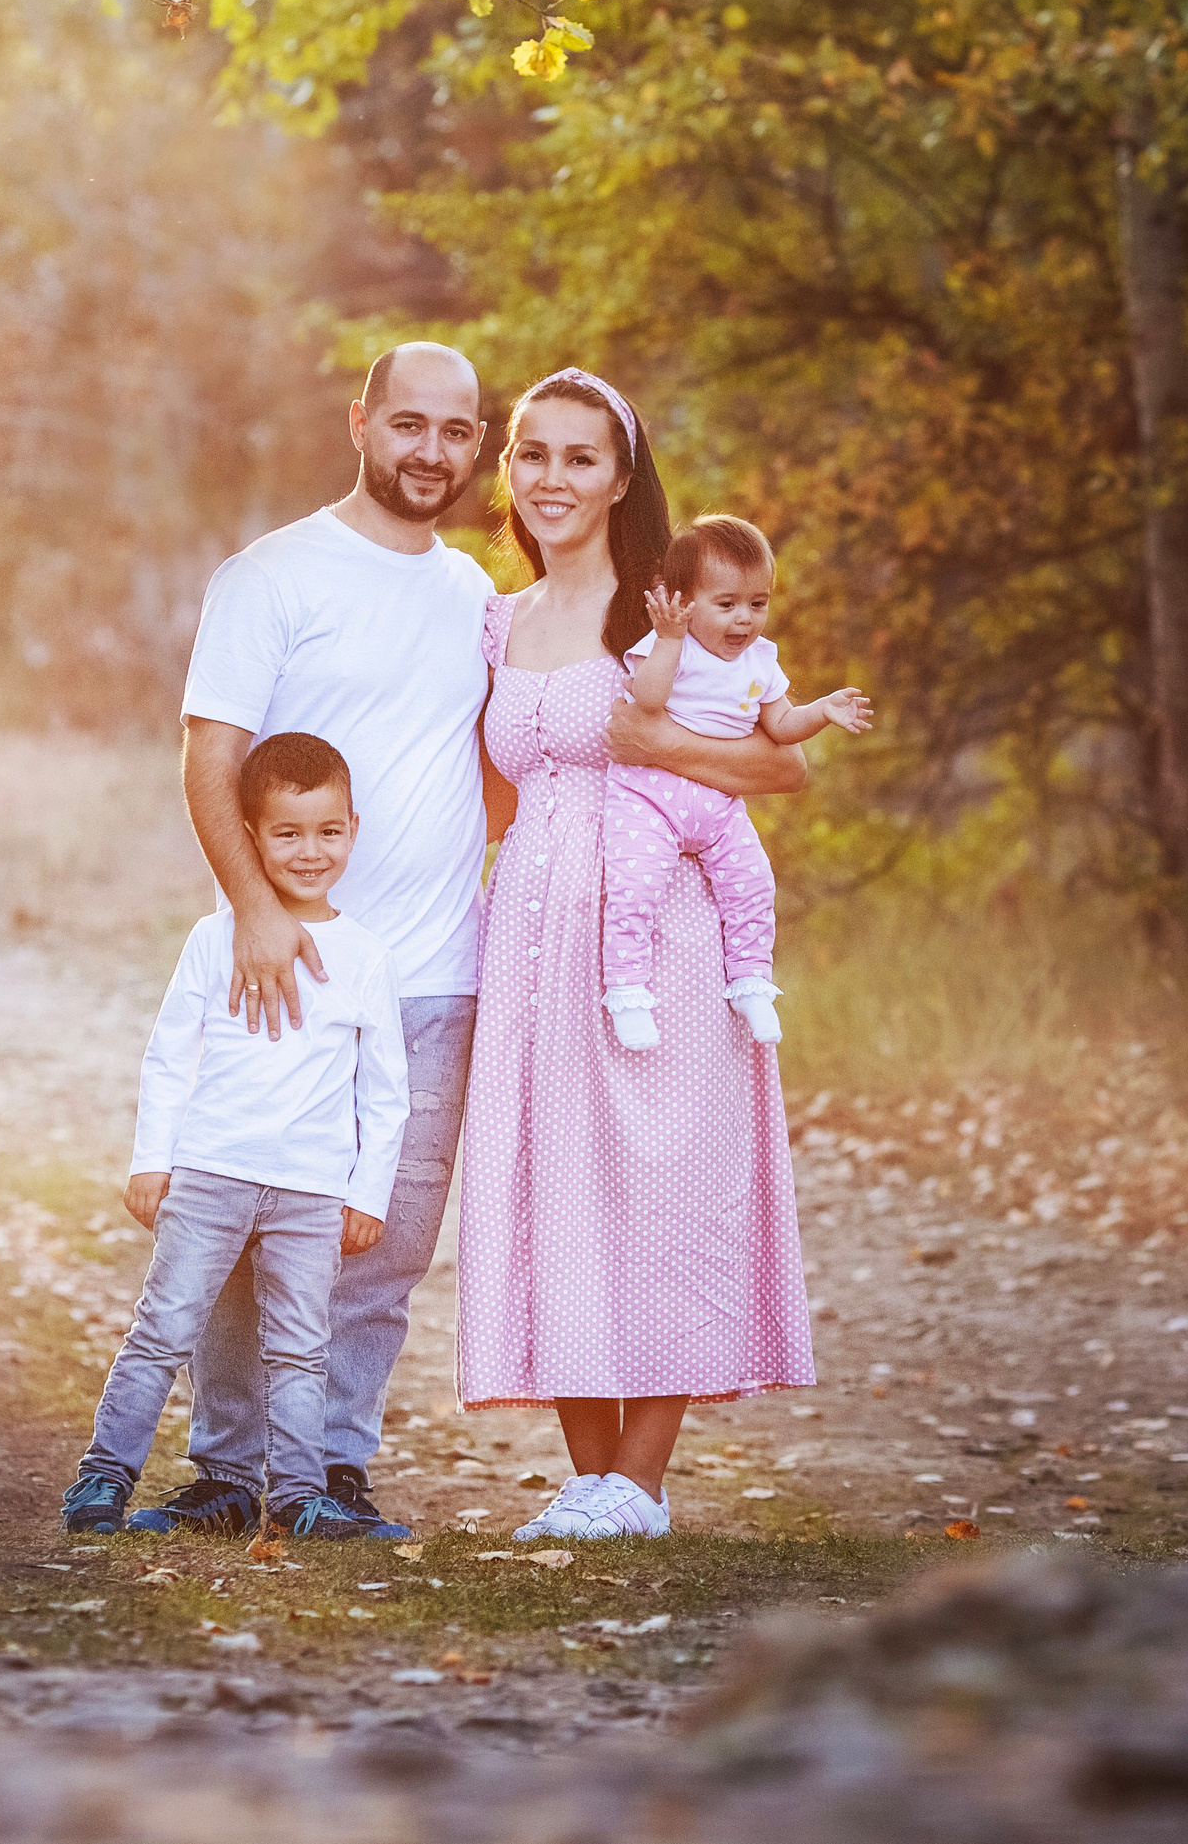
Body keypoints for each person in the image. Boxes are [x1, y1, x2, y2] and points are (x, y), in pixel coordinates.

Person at [454, 369, 817, 1542]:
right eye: (533, 454)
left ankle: (644, 1481)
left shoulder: (667, 611)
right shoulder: (497, 621)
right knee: (552, 1177)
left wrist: (651, 738)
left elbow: (779, 766)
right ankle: (592, 1477)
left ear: (621, 478)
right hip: (528, 931)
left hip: (657, 927)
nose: (551, 478)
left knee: (665, 1178)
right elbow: (488, 795)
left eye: (579, 457)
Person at [152, 341, 493, 1539]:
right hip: (289, 964)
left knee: (382, 1248)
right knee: (254, 1233)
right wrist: (253, 907)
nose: (431, 452)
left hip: (437, 973)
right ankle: (230, 1472)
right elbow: (210, 756)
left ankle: (333, 1471)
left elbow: (486, 774)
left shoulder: (474, 599)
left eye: (456, 432)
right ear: (359, 422)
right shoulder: (273, 575)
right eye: (409, 424)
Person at [59, 733, 409, 1540]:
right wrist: (153, 1162)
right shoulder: (212, 940)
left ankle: (297, 1497)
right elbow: (170, 1056)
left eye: (328, 831)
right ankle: (102, 1479)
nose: (311, 851)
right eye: (287, 833)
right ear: (251, 836)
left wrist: (365, 1194)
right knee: (164, 1326)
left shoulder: (366, 958)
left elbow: (385, 1094)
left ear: (354, 827)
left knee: (298, 1348)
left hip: (312, 1190)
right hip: (211, 1170)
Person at [603, 514, 873, 1051]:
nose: (744, 620)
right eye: (726, 604)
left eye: (757, 603)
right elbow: (649, 701)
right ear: (683, 601)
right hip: (649, 796)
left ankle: (751, 981)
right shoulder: (670, 648)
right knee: (635, 890)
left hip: (720, 804)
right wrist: (668, 638)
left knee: (752, 885)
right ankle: (628, 990)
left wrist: (821, 710)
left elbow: (781, 727)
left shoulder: (760, 662)